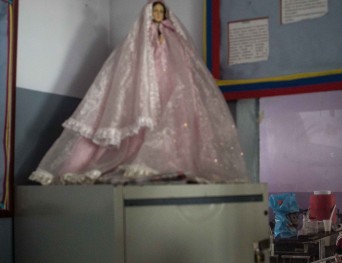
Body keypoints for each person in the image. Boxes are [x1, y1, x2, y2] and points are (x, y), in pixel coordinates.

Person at [29, 1, 247, 185]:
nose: (159, 15)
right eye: (156, 12)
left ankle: (168, 161)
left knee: (172, 118)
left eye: (161, 12)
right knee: (140, 120)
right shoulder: (138, 38)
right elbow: (131, 63)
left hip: (168, 82)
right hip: (145, 83)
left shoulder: (173, 34)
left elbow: (182, 62)